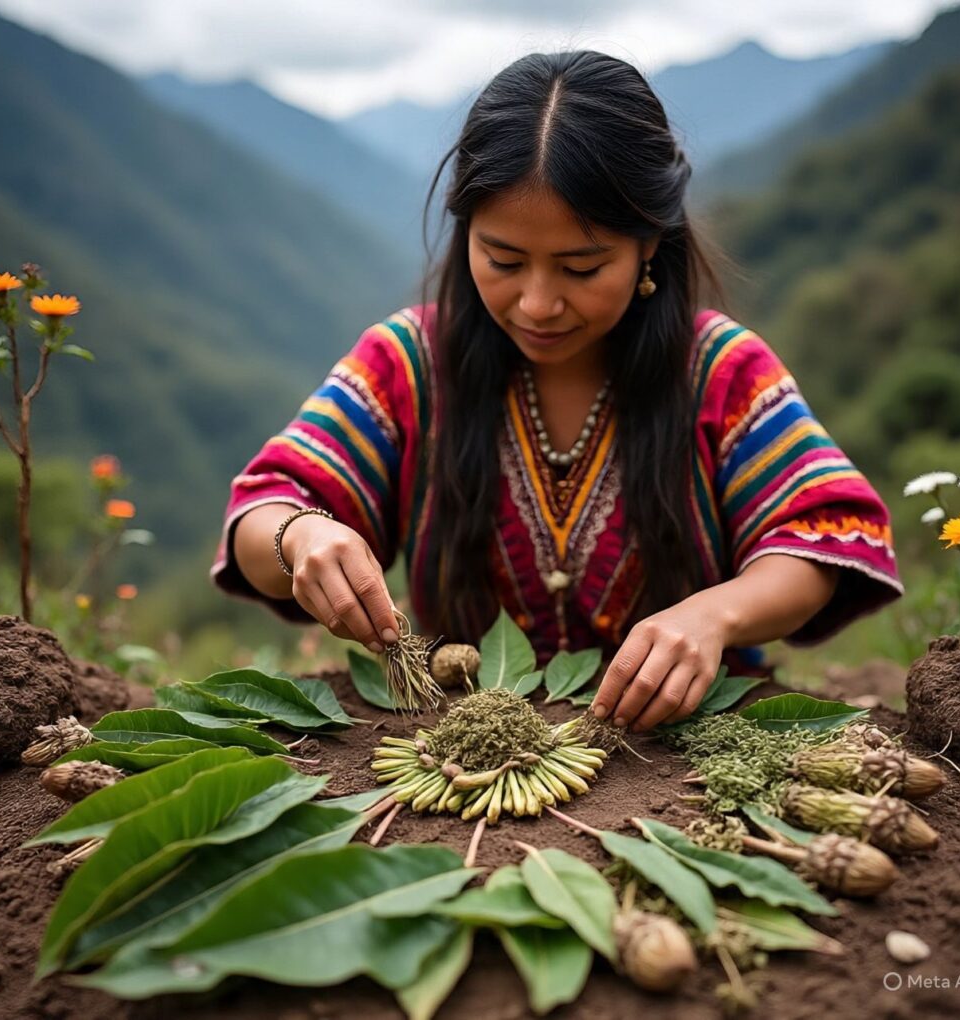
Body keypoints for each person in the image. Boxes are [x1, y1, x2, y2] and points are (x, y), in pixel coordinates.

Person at [212, 50, 903, 732]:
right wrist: (301, 538)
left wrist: (714, 615)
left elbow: (822, 537)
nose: (538, 304)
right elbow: (262, 514)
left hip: (688, 747)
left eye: (582, 267)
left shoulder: (722, 370)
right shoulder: (405, 366)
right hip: (464, 756)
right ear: (465, 234)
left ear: (649, 244)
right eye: (504, 260)